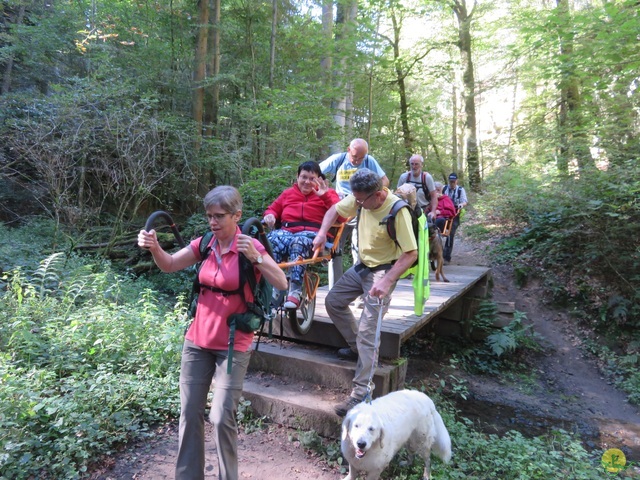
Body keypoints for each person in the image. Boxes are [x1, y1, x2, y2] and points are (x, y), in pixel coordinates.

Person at [138, 186, 287, 480]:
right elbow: (168, 265)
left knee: (220, 417)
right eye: (209, 216)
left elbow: (281, 282)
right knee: (189, 414)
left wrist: (256, 258)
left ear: (237, 215)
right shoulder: (205, 243)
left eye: (220, 216)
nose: (213, 222)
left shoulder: (249, 246)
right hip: (197, 341)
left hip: (233, 344)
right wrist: (154, 247)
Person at [312, 169, 417, 417]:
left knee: (369, 332)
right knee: (333, 301)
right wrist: (320, 233)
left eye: (361, 201)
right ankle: (357, 347)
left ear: (379, 194)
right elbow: (334, 211)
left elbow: (411, 253)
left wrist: (388, 280)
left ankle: (362, 393)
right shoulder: (361, 198)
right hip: (362, 266)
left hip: (384, 271)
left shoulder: (397, 211)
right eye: (355, 200)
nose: (357, 205)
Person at [263, 161, 340, 308]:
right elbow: (272, 209)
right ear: (297, 177)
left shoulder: (327, 193)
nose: (307, 182)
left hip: (312, 233)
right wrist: (270, 215)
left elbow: (341, 216)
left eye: (312, 178)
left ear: (319, 179)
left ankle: (295, 290)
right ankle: (273, 286)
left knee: (299, 241)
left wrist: (325, 197)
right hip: (286, 231)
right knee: (271, 240)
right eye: (303, 177)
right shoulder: (287, 194)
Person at [320, 138, 390, 283]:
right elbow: (315, 171)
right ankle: (336, 288)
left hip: (362, 208)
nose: (357, 161)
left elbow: (385, 181)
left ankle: (357, 286)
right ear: (348, 150)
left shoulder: (369, 161)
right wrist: (323, 186)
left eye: (361, 158)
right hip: (341, 209)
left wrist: (370, 192)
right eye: (354, 157)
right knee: (334, 250)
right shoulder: (338, 160)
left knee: (359, 249)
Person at [396, 154, 437, 219]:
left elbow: (434, 195)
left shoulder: (427, 178)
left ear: (421, 165)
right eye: (412, 164)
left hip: (423, 210)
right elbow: (397, 195)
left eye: (416, 164)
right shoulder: (404, 177)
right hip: (407, 210)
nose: (414, 166)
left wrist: (433, 211)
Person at [441, 173, 469, 262]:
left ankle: (446, 257)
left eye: (453, 181)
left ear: (456, 181)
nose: (452, 183)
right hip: (443, 212)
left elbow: (464, 201)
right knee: (438, 232)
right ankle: (436, 253)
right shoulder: (444, 189)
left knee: (450, 234)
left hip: (455, 214)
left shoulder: (460, 190)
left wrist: (461, 205)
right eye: (450, 181)